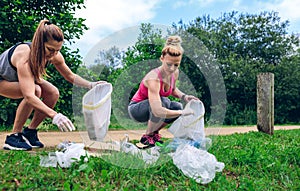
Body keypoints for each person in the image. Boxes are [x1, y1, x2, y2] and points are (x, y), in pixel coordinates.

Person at [0, 19, 105, 150]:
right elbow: (29, 96)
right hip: (3, 80)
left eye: (57, 50)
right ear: (39, 44)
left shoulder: (54, 55)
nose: (53, 54)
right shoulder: (24, 55)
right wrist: (55, 116)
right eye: (50, 49)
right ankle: (14, 136)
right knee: (36, 91)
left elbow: (70, 76)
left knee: (53, 93)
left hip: (23, 79)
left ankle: (30, 132)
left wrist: (91, 85)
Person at [128, 35, 199, 146]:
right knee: (164, 102)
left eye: (176, 65)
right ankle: (147, 136)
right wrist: (183, 113)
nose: (172, 68)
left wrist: (185, 97)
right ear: (162, 59)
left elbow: (173, 89)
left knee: (177, 106)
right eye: (169, 64)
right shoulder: (154, 78)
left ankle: (154, 133)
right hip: (136, 109)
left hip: (155, 107)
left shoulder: (174, 73)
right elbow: (157, 111)